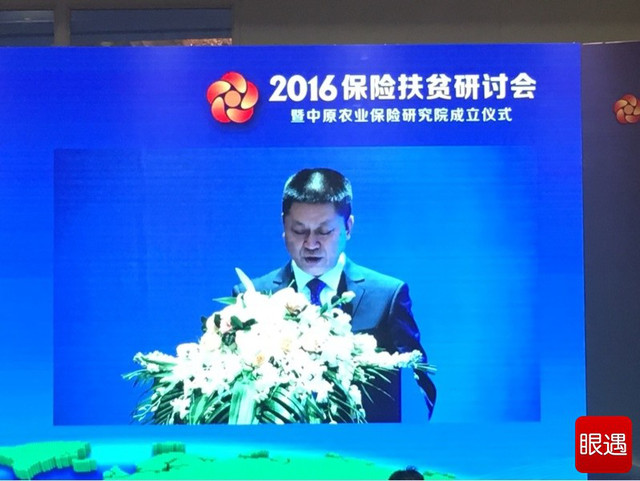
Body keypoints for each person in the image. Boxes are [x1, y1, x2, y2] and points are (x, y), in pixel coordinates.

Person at [233, 167, 436, 422]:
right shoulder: (252, 297)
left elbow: (420, 393)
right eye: (299, 230)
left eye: (324, 231)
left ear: (348, 227)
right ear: (284, 226)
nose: (311, 243)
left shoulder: (387, 297)